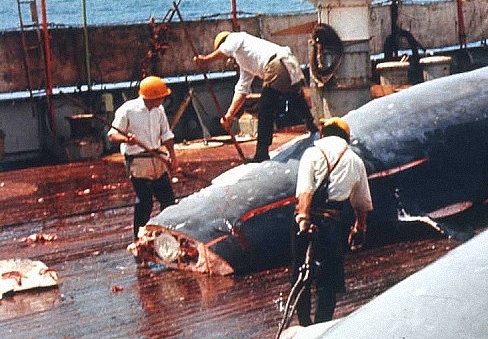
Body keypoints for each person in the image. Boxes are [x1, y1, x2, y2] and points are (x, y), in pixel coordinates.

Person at [292, 117, 373, 326]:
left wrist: (303, 220)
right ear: (347, 137)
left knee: (301, 275)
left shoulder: (312, 153)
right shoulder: (355, 160)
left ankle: (303, 324)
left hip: (307, 219)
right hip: (333, 224)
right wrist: (359, 228)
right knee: (328, 280)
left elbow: (305, 192)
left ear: (322, 134)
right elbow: (362, 203)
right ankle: (322, 326)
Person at [193, 30, 317, 162]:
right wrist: (229, 116)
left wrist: (205, 60)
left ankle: (261, 153)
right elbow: (242, 90)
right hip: (289, 62)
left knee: (265, 109)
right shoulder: (244, 61)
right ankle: (312, 127)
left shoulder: (235, 37)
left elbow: (225, 50)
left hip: (276, 64)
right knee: (295, 97)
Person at [108, 76, 178, 239]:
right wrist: (126, 139)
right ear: (151, 96)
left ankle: (167, 232)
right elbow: (113, 134)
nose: (162, 99)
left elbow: (166, 135)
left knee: (168, 200)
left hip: (157, 158)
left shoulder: (159, 110)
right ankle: (139, 237)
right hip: (138, 161)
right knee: (145, 202)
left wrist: (172, 157)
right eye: (160, 96)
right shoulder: (128, 110)